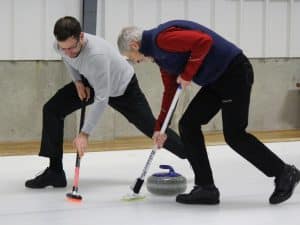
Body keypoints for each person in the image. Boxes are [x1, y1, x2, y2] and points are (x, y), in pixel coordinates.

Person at [117, 20, 300, 205]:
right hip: (216, 81)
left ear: (134, 45)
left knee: (234, 135)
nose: (135, 61)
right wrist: (160, 128)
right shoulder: (159, 57)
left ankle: (285, 173)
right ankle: (206, 188)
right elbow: (170, 91)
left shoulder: (162, 39)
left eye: (131, 57)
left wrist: (187, 74)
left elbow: (203, 41)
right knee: (188, 124)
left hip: (233, 72)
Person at [25, 16, 186, 189]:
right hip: (91, 80)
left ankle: (192, 154)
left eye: (72, 47)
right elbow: (68, 60)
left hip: (123, 87)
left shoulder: (96, 54)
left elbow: (102, 98)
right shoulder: (61, 46)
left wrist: (84, 134)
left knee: (151, 127)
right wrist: (78, 81)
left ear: (81, 37)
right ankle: (55, 172)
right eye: (64, 48)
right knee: (52, 109)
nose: (69, 52)